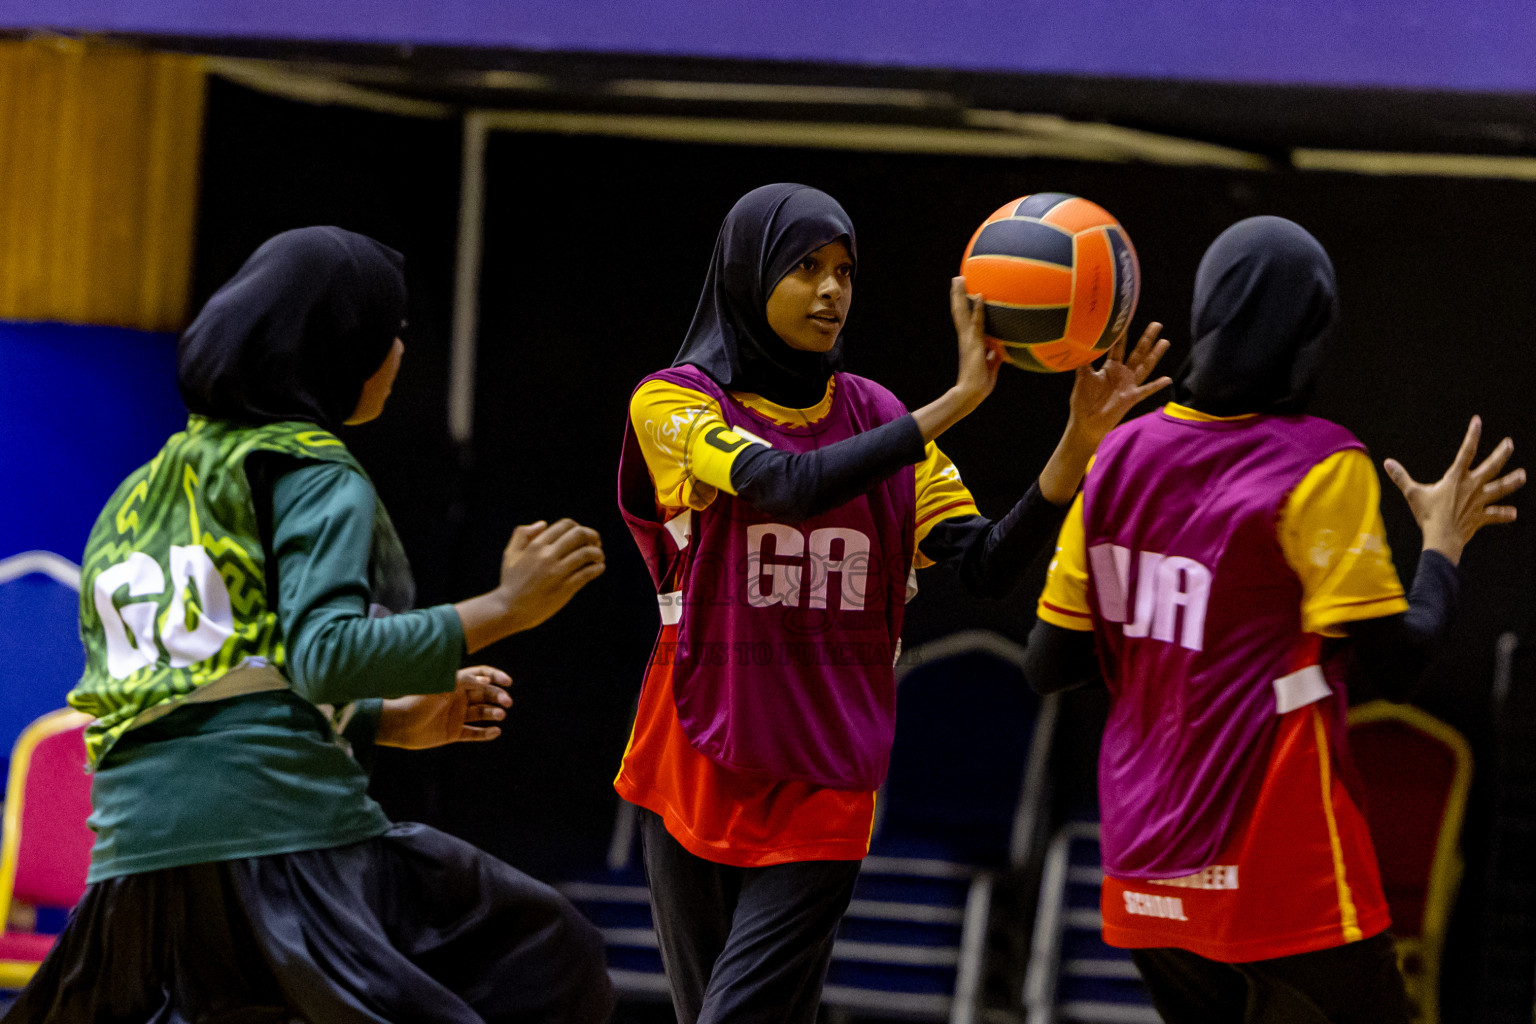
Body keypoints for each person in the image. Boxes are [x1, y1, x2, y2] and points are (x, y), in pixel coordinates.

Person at [7, 227, 614, 1024]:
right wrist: (506, 607)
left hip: (134, 856)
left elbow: (201, 673)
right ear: (339, 345)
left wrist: (385, 723)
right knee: (546, 954)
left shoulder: (140, 491)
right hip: (273, 829)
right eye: (390, 329)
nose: (400, 350)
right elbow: (324, 654)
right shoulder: (310, 469)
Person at [615, 183, 1170, 1023]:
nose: (833, 290)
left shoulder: (876, 419)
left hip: (827, 778)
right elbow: (785, 484)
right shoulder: (675, 402)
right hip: (693, 761)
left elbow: (983, 564)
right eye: (806, 267)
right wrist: (955, 403)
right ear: (746, 273)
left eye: (845, 269)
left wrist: (1074, 450)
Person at [1024, 216, 1525, 1023]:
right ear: (1310, 332)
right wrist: (1442, 542)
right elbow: (1400, 662)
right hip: (1275, 868)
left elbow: (1048, 664)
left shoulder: (1116, 454)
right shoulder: (1320, 467)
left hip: (1145, 858)